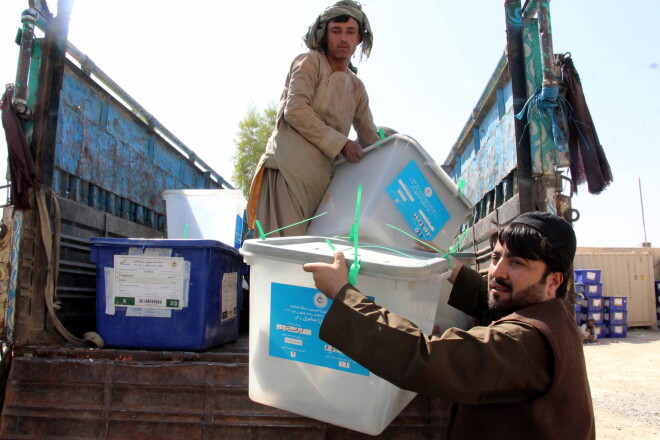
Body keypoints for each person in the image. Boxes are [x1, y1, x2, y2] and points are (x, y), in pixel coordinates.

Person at [303, 211, 595, 439]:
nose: (498, 271)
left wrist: (344, 295)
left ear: (553, 280)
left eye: (516, 262)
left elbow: (423, 358)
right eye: (496, 257)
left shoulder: (525, 342)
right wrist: (450, 266)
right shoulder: (548, 315)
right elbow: (493, 301)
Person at [247, 0, 380, 237]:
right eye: (336, 31)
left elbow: (370, 138)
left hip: (322, 185)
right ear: (324, 34)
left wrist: (393, 157)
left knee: (311, 259)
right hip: (288, 172)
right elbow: (295, 110)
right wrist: (342, 143)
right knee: (284, 256)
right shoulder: (309, 62)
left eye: (350, 32)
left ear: (359, 38)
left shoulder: (357, 88)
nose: (343, 39)